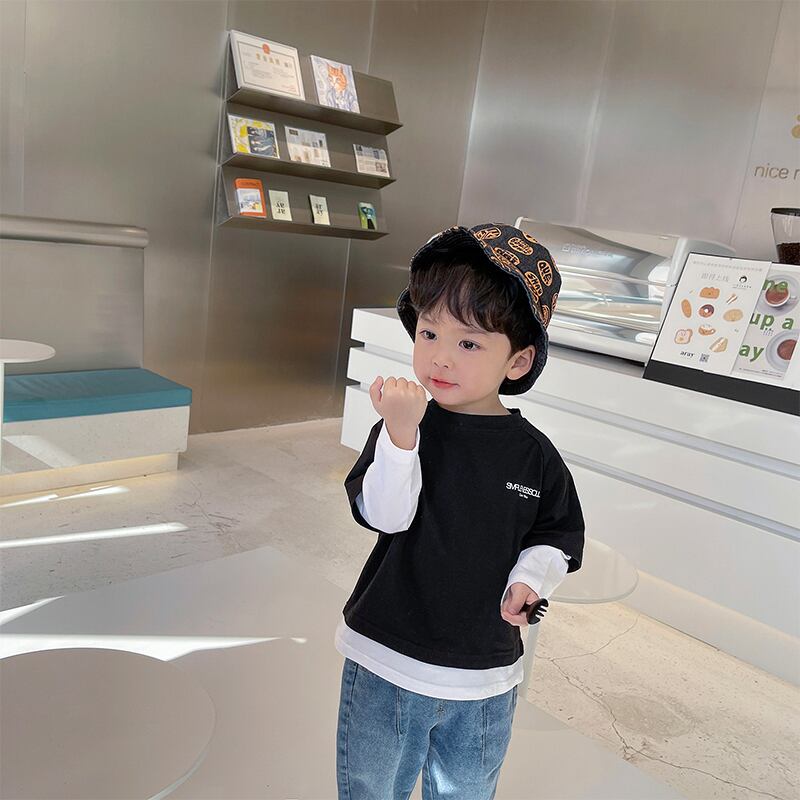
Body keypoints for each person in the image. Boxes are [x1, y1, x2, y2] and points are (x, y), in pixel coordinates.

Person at [335, 223, 585, 799]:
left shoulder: (535, 457)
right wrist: (401, 437)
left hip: (485, 673)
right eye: (428, 333)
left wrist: (529, 578)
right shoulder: (403, 427)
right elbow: (384, 516)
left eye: (469, 343)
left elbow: (558, 534)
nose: (440, 358)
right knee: (371, 788)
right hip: (386, 657)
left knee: (467, 789)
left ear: (518, 361)